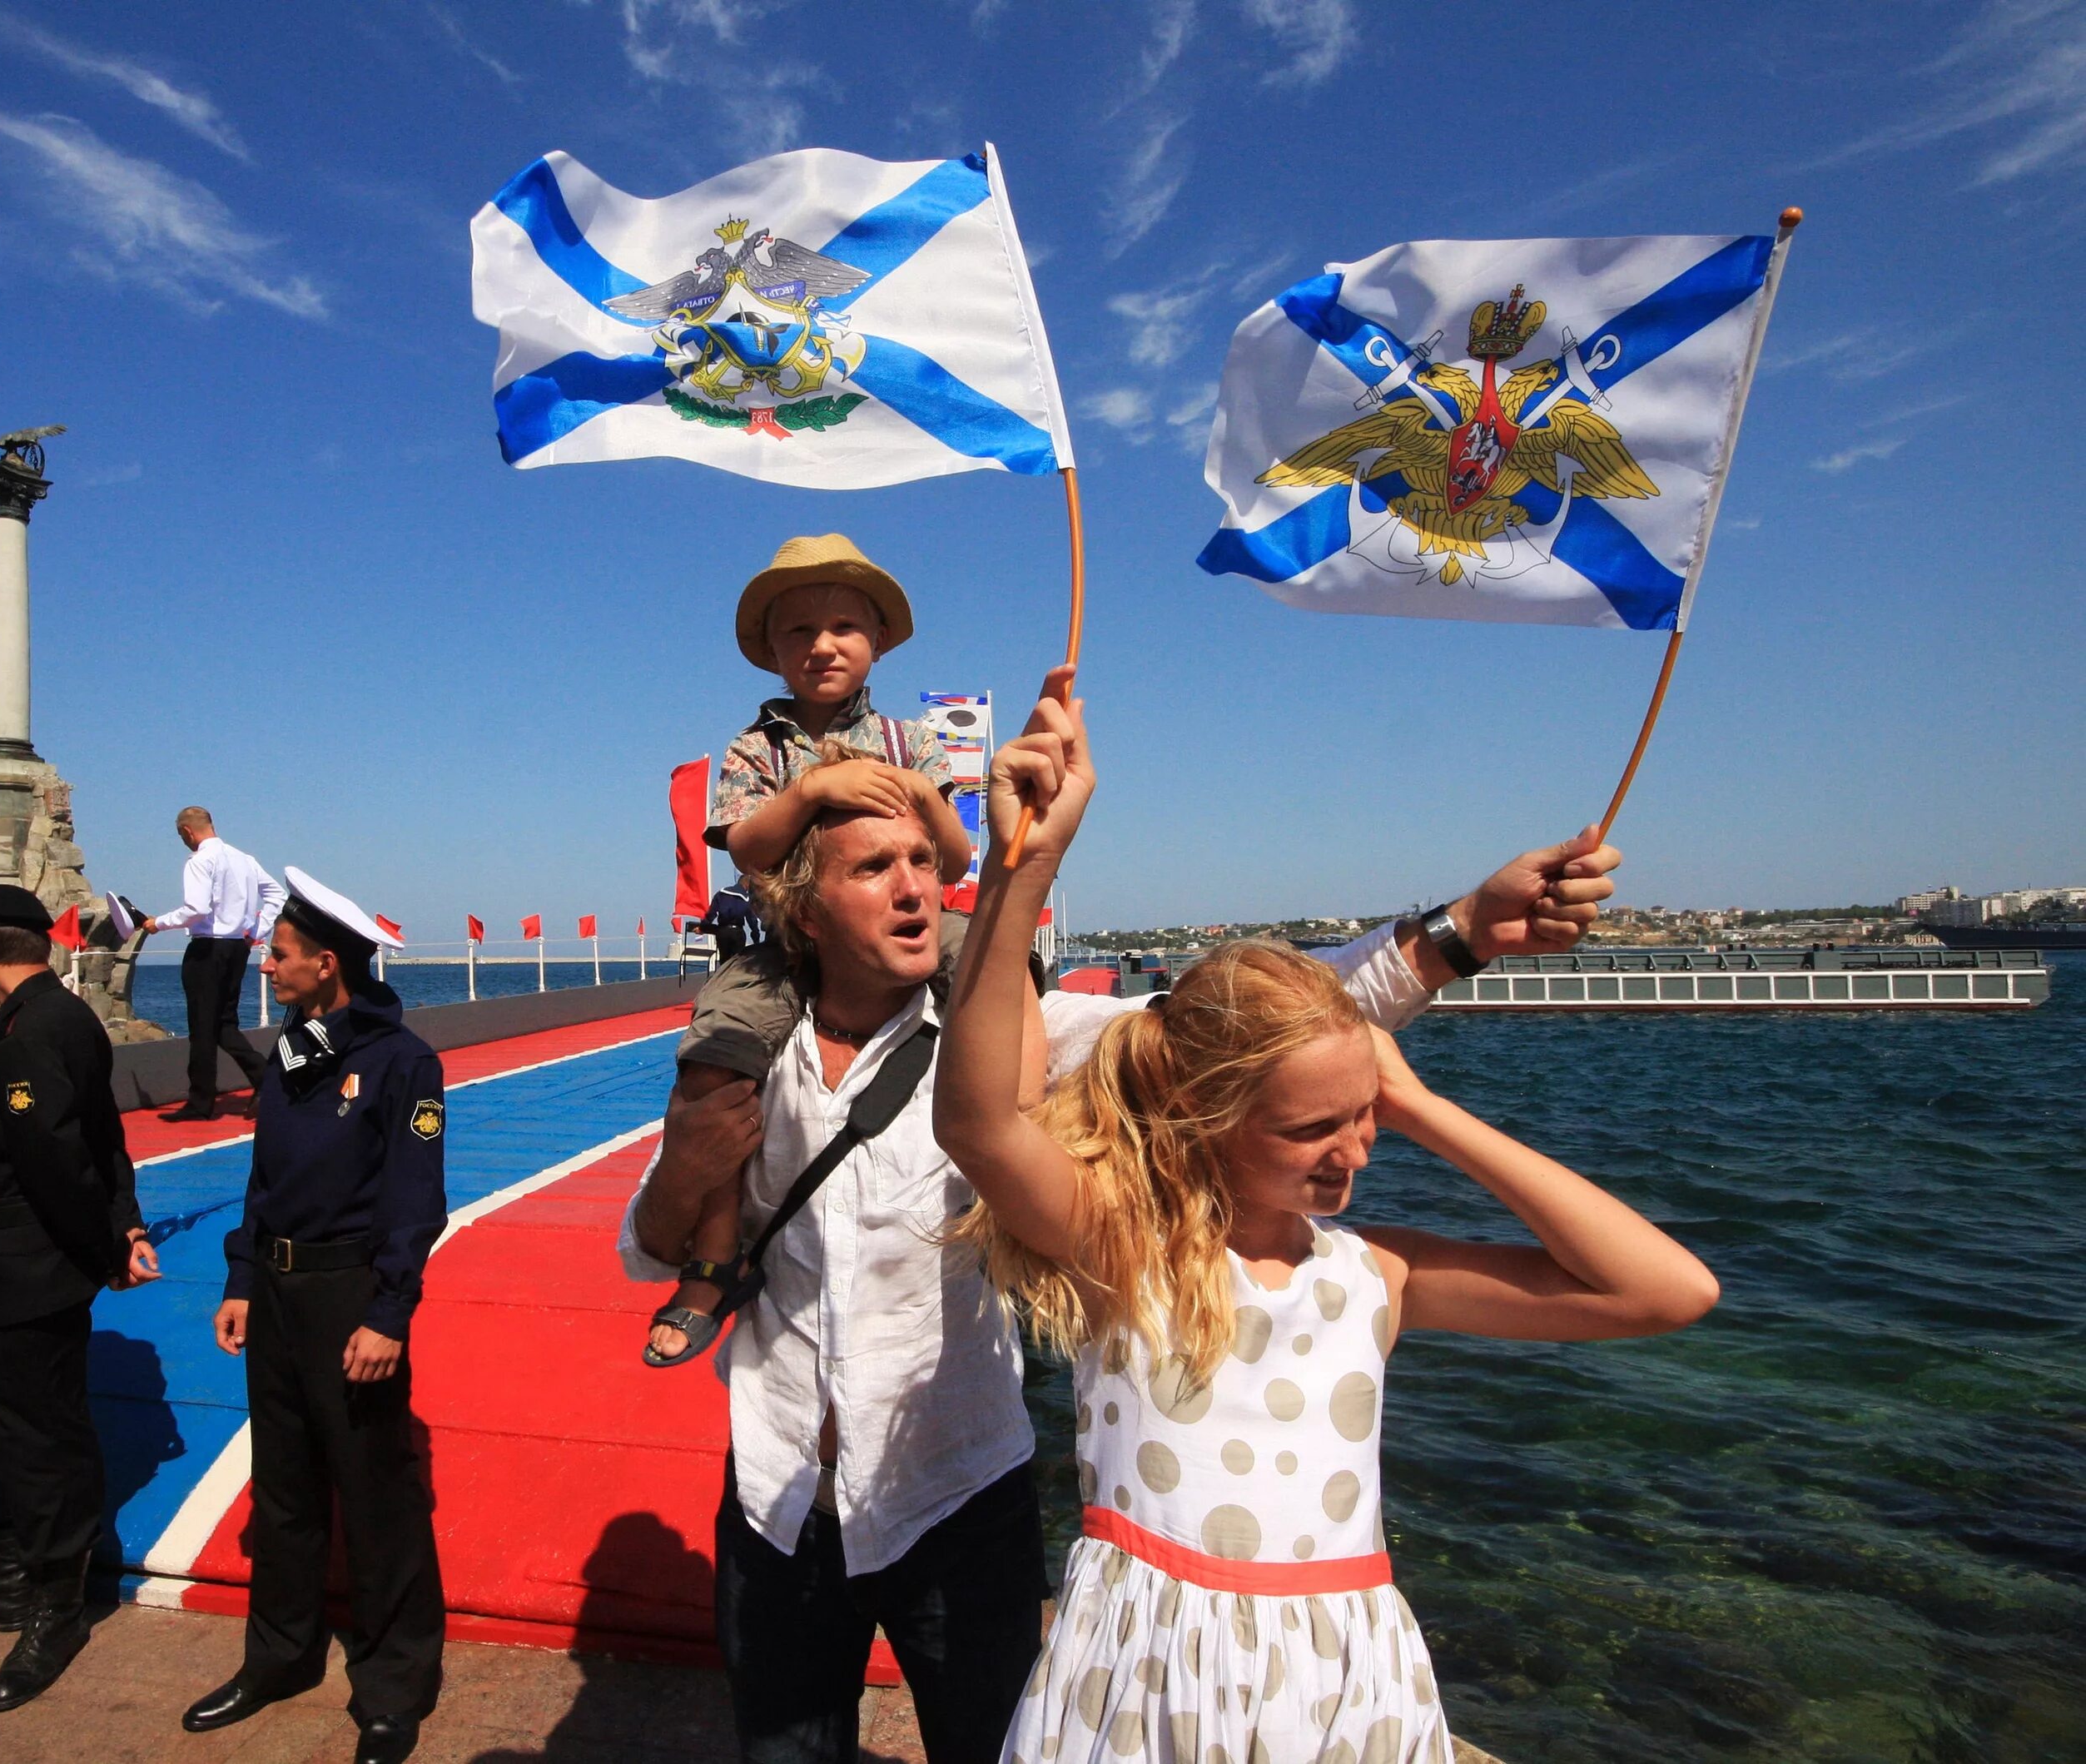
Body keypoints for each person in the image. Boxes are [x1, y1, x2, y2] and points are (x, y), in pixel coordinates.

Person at [615, 688, 1615, 1764]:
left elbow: (1232, 1030)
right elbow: (655, 1245)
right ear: (807, 911)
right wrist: (690, 1163)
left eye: (923, 862)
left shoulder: (1015, 1045)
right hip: (776, 1496)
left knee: (991, 1743)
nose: (915, 888)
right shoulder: (747, 1051)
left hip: (957, 1491)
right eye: (874, 869)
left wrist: (1458, 933)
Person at [933, 688, 1716, 1764]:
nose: (1357, 1147)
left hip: (1345, 1673)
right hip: (1152, 1670)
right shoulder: (1130, 1249)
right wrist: (1027, 865)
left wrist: (1429, 1110)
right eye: (1314, 1126)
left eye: (1368, 1116)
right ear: (1202, 1119)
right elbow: (980, 1119)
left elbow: (1667, 1291)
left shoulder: (1374, 1274)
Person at [645, 533, 972, 1369]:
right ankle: (713, 1258)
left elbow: (960, 861)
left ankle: (1016, 1183)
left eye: (842, 628)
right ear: (775, 653)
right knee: (718, 1059)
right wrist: (817, 788)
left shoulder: (914, 743)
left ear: (874, 643)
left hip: (898, 918)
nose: (822, 645)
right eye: (800, 632)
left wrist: (924, 801)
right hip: (787, 939)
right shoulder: (758, 749)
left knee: (1007, 976)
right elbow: (749, 849)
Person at [182, 868, 448, 1764]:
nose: (268, 963)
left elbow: (415, 1201)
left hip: (349, 1296)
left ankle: (392, 1685)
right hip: (281, 1297)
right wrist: (242, 1277)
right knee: (286, 1485)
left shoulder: (400, 1059)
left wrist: (389, 1310)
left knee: (376, 1497)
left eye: (281, 953)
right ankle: (280, 1658)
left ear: (327, 964)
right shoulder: (294, 1053)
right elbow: (265, 1183)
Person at [0, 884, 161, 1712]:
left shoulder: (31, 1029)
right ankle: (3, 1572)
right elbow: (106, 1135)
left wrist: (105, 1249)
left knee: (41, 1435)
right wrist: (126, 1225)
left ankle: (55, 1604)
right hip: (22, 1263)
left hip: (33, 1263)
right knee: (3, 1422)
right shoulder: (63, 1015)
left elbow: (57, 1158)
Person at [134, 806, 286, 1121]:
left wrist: (157, 923)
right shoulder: (245, 859)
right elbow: (277, 895)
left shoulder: (200, 861)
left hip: (207, 950)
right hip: (236, 947)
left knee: (202, 1028)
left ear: (187, 831)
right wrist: (257, 932)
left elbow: (196, 908)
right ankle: (265, 1079)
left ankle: (201, 1102)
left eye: (181, 836)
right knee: (224, 1023)